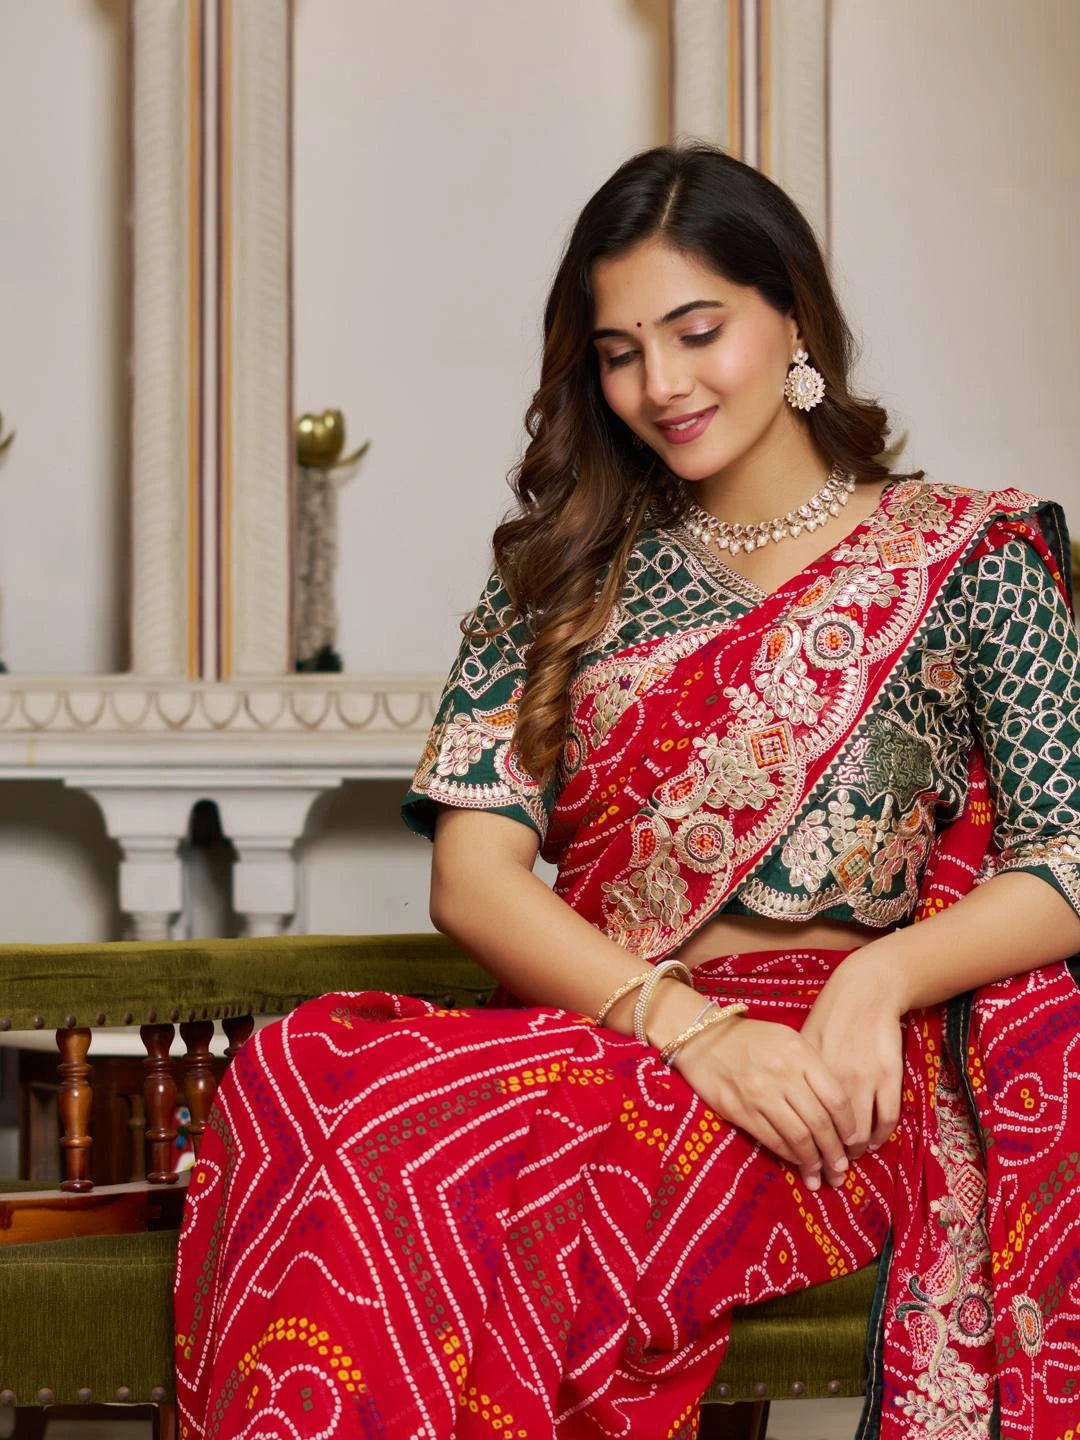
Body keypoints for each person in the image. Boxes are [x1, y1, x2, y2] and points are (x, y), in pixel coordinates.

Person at [173, 143, 1080, 1440]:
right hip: (610, 1026)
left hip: (824, 1082)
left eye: (697, 331)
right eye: (619, 352)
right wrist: (689, 1029)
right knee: (300, 1076)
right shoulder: (558, 573)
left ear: (794, 318)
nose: (661, 385)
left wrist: (879, 982)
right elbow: (472, 879)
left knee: (431, 1149)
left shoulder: (973, 554)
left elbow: (1067, 854)